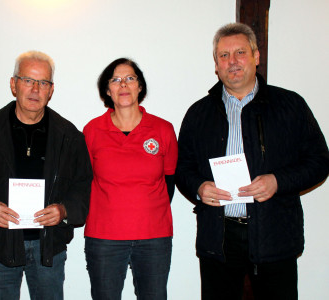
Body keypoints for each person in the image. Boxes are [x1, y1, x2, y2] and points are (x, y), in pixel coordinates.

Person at [176, 22, 329, 300]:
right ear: (216, 64)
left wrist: (278, 181)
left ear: (256, 57)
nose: (232, 61)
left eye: (240, 53)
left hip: (274, 235)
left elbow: (319, 160)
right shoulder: (198, 113)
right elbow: (182, 167)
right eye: (224, 55)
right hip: (218, 239)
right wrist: (199, 187)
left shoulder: (290, 105)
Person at [0, 50, 92, 300]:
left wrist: (64, 211)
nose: (35, 89)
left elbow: (83, 186)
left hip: (48, 246)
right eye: (28, 80)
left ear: (51, 90)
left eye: (43, 83)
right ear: (13, 84)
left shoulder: (70, 137)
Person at [83, 58, 178, 300]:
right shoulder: (92, 131)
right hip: (104, 238)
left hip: (154, 238)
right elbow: (84, 182)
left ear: (140, 87)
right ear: (107, 90)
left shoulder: (163, 130)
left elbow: (169, 181)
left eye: (130, 78)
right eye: (115, 80)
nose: (123, 84)